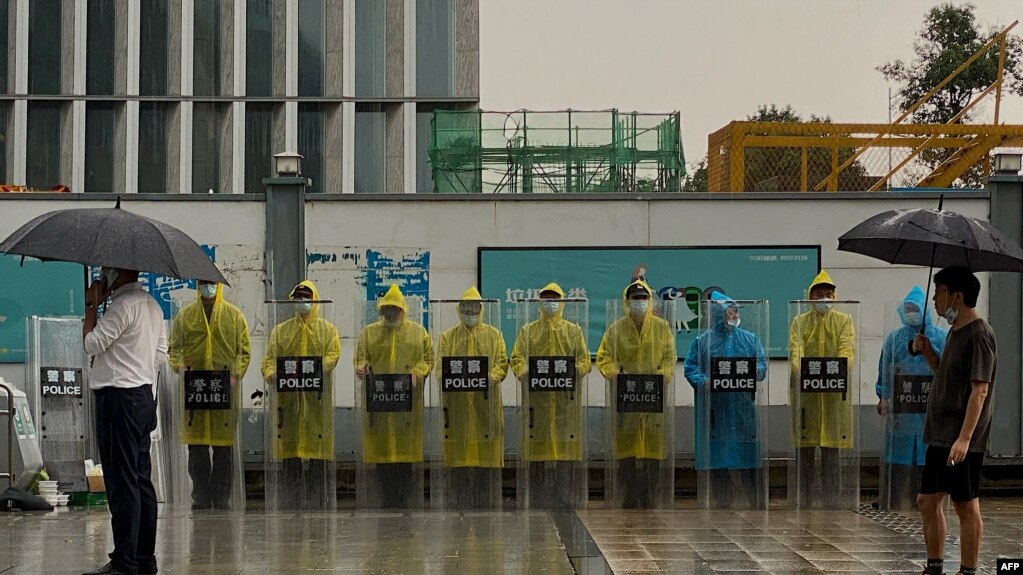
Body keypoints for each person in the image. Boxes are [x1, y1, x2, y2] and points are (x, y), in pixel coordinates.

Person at [82, 267, 167, 575]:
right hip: (143, 395)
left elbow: (91, 343)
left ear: (117, 274)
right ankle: (145, 559)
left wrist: (91, 305)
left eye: (106, 272)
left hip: (118, 399)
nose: (103, 277)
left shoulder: (122, 306)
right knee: (141, 479)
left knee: (121, 481)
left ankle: (124, 561)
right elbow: (159, 353)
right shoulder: (152, 306)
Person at [912, 267, 996, 575]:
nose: (935, 299)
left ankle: (968, 570)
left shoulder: (979, 334)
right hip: (940, 434)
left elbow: (979, 390)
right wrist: (929, 354)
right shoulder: (955, 332)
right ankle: (935, 566)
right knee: (927, 500)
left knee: (965, 504)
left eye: (939, 292)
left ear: (956, 297)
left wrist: (964, 439)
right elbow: (947, 375)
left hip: (960, 438)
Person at [168, 280, 251, 510]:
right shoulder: (186, 316)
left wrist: (235, 375)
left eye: (210, 284)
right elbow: (173, 347)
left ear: (218, 285)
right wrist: (180, 367)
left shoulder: (234, 317)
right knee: (197, 449)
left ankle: (221, 497)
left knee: (223, 448)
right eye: (203, 284)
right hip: (194, 390)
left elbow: (243, 350)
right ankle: (201, 496)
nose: (207, 288)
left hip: (223, 388)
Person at [509, 282, 591, 508]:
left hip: (565, 404)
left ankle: (565, 498)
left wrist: (576, 370)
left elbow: (585, 360)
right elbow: (516, 358)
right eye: (546, 298)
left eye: (555, 298)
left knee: (564, 452)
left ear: (562, 302)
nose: (551, 303)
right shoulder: (528, 331)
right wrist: (524, 372)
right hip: (538, 405)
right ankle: (536, 497)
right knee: (537, 452)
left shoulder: (573, 331)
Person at [260, 280, 340, 509]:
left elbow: (333, 356)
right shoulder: (281, 331)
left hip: (316, 402)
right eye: (299, 298)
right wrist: (272, 374)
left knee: (318, 454)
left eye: (307, 298)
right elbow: (268, 360)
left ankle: (318, 501)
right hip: (289, 402)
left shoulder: (327, 330)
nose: (303, 302)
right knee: (291, 454)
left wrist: (313, 368)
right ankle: (291, 501)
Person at [597, 279, 676, 508]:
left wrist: (662, 376)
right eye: (635, 299)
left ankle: (650, 495)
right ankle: (630, 494)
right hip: (626, 399)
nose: (639, 303)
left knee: (652, 451)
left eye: (643, 298)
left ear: (650, 301)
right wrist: (615, 374)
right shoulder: (616, 329)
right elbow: (603, 357)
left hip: (653, 399)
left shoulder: (662, 328)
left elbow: (670, 358)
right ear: (626, 301)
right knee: (626, 450)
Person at [684, 290, 768, 508]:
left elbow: (761, 366)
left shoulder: (750, 339)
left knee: (747, 453)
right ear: (717, 314)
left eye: (735, 311)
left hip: (742, 409)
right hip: (716, 409)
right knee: (718, 456)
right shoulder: (703, 341)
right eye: (728, 311)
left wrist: (749, 373)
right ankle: (723, 501)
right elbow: (691, 368)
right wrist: (706, 382)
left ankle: (755, 501)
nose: (733, 315)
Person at [355, 284, 433, 508]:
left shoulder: (418, 333)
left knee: (405, 454)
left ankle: (404, 498)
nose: (390, 314)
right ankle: (386, 498)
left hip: (406, 406)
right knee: (382, 455)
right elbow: (362, 357)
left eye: (394, 310)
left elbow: (427, 359)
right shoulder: (369, 333)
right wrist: (361, 367)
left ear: (403, 310)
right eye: (386, 310)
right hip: (379, 404)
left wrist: (417, 374)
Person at [434, 286, 509, 508]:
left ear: (481, 309)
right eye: (466, 307)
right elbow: (440, 368)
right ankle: (460, 503)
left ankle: (485, 503)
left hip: (485, 407)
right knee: (460, 461)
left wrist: (491, 377)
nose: (470, 312)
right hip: (457, 410)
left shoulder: (494, 335)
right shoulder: (447, 338)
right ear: (459, 309)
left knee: (485, 462)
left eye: (474, 308)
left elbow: (502, 364)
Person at [875, 286, 946, 510]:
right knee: (899, 451)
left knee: (925, 453)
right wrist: (883, 395)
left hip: (928, 406)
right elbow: (885, 367)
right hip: (902, 407)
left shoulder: (941, 337)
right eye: (907, 308)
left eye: (914, 308)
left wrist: (926, 347)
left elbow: (946, 367)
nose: (910, 312)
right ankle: (893, 497)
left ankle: (922, 498)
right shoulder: (895, 338)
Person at [788, 269, 855, 508]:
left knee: (831, 453)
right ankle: (803, 501)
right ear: (810, 296)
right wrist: (801, 370)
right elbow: (796, 351)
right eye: (819, 294)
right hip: (807, 398)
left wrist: (839, 368)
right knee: (804, 452)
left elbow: (847, 351)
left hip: (834, 396)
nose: (824, 299)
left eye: (828, 294)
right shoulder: (799, 321)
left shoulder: (844, 321)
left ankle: (832, 502)